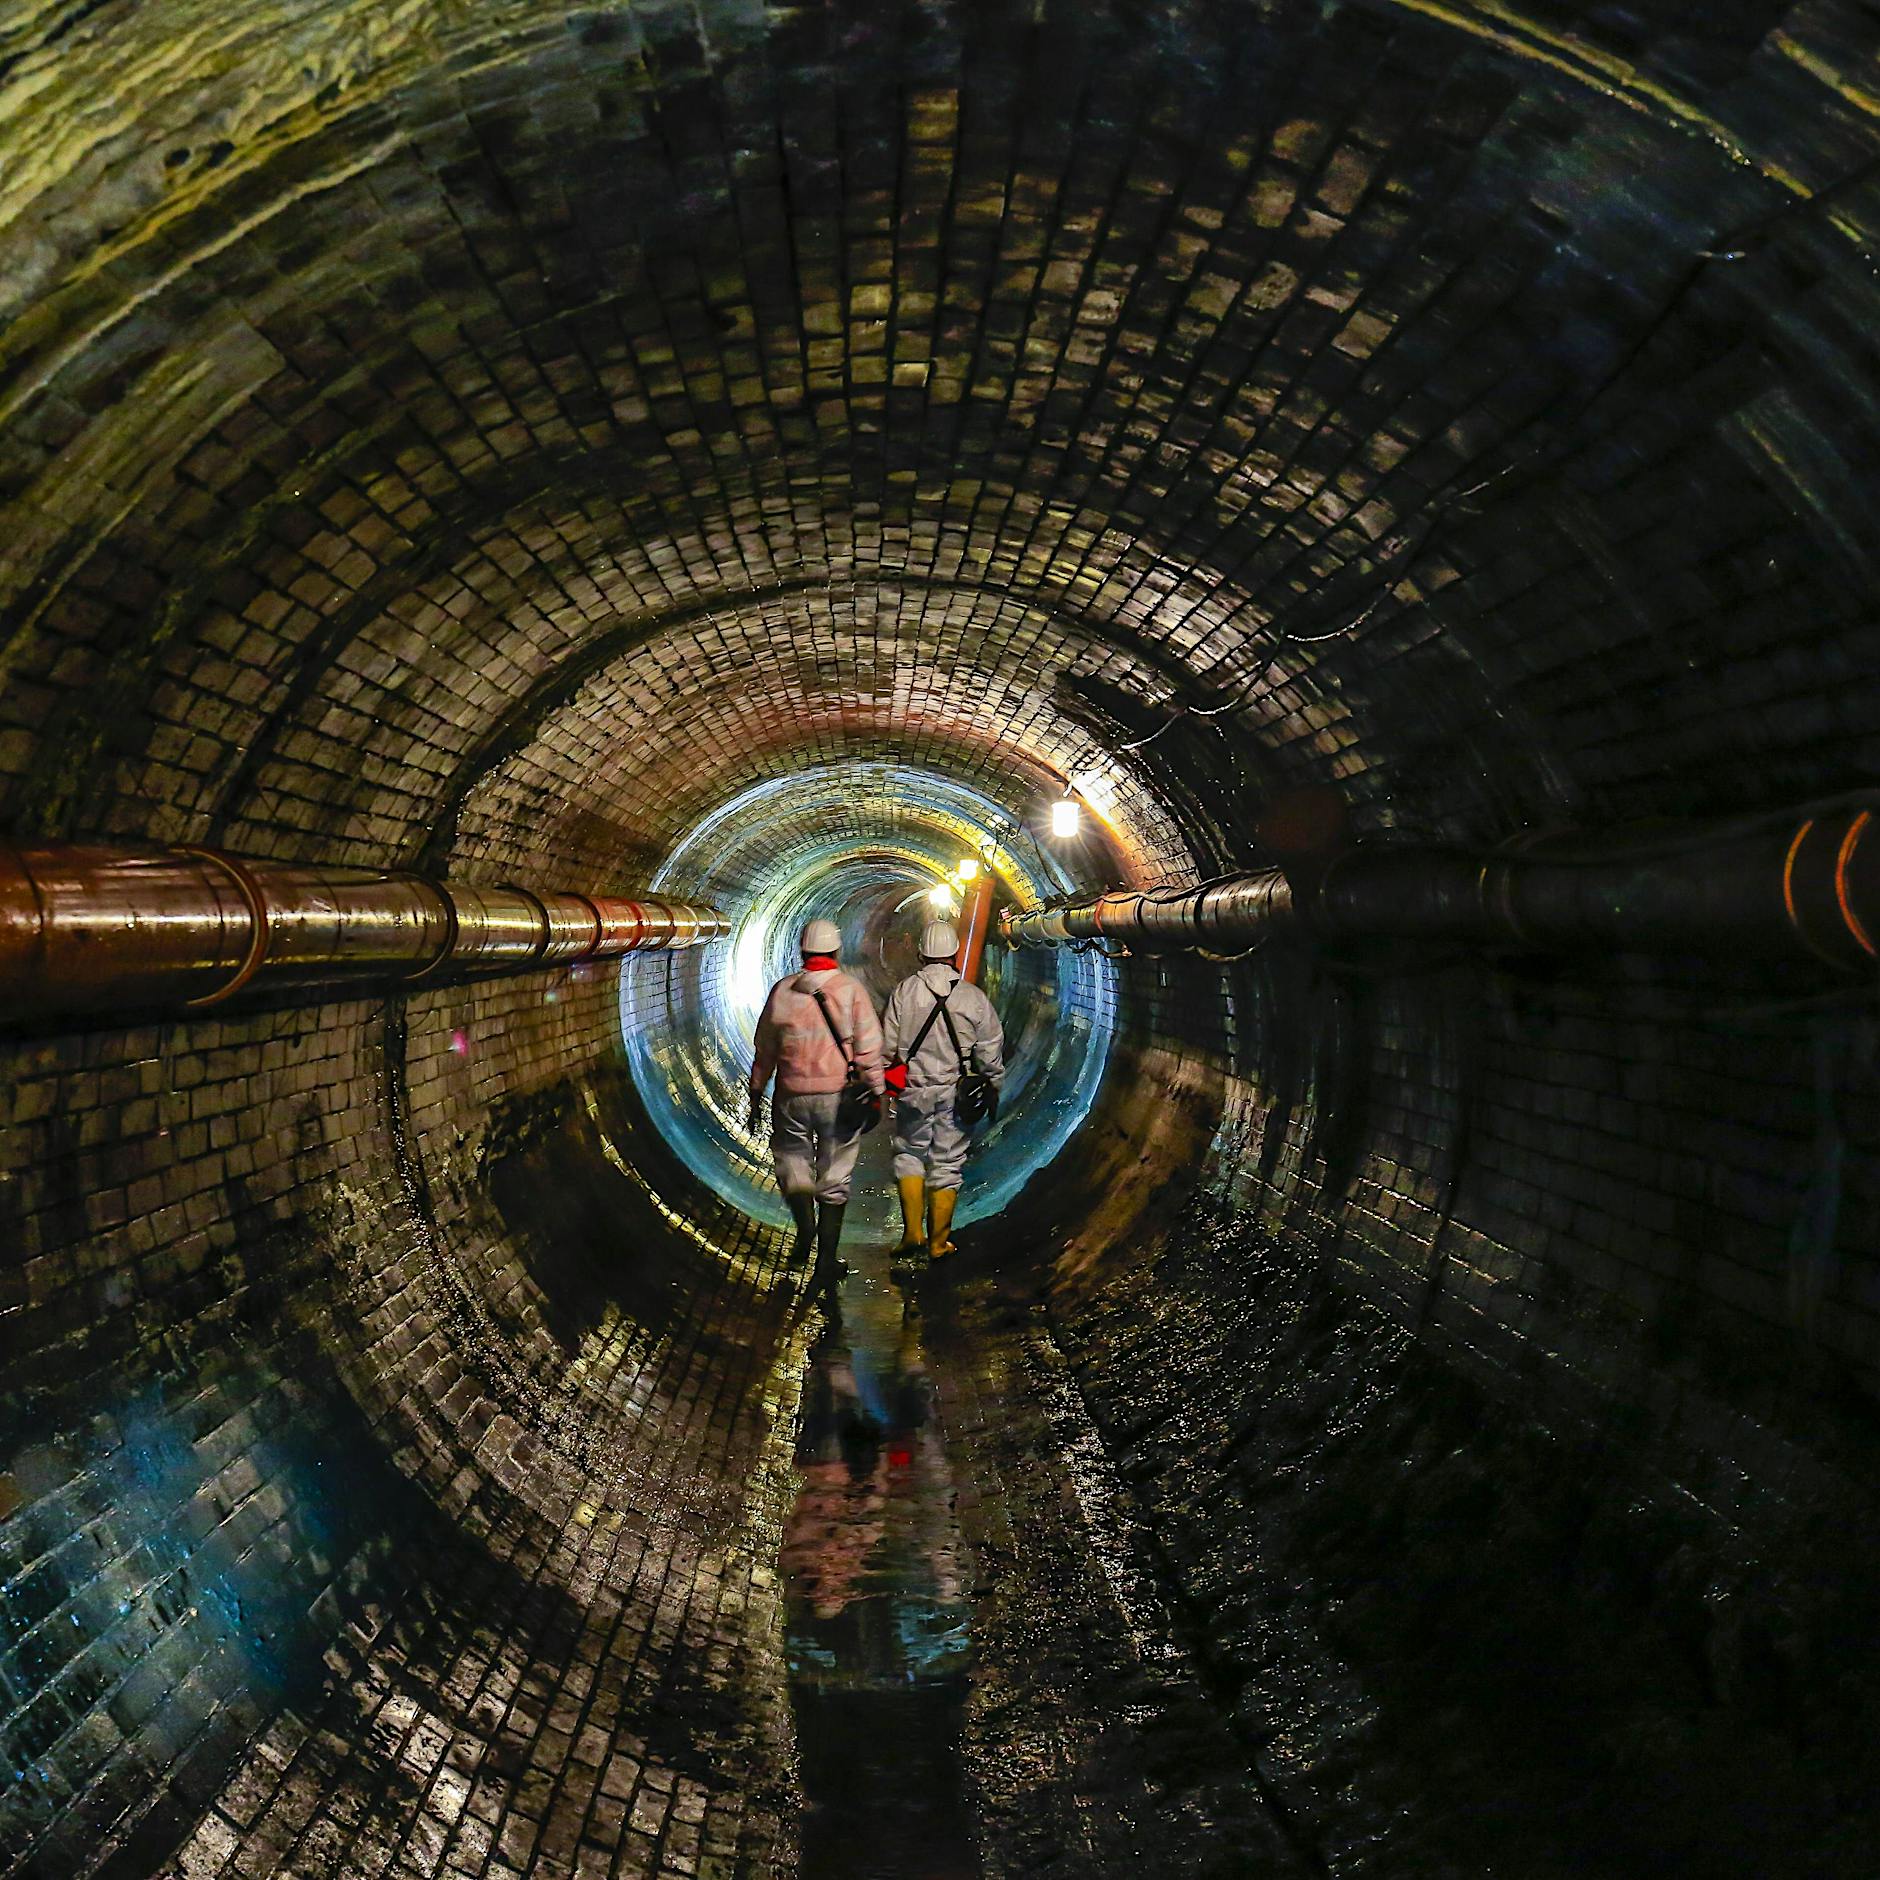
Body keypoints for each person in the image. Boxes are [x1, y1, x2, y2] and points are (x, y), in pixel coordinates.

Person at [748, 918, 886, 1287]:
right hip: (837, 1097)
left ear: (802, 951)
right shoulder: (851, 990)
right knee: (835, 1174)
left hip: (791, 1095)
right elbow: (870, 1048)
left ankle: (805, 1229)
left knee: (792, 1162)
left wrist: (756, 1091)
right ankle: (825, 1261)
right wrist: (877, 1091)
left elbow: (765, 1048)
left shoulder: (782, 991)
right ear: (837, 951)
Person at [881, 919, 1004, 1261]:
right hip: (955, 1091)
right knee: (947, 1163)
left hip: (913, 1088)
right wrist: (993, 1083)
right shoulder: (972, 997)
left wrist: (890, 1092)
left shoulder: (905, 992)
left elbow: (888, 1049)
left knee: (908, 1155)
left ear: (921, 953)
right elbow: (990, 1046)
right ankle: (938, 1243)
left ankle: (912, 1234)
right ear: (954, 954)